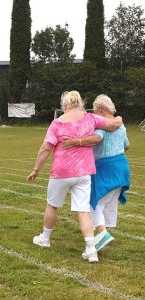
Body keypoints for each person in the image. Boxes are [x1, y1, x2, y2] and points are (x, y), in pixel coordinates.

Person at [26, 90, 123, 263]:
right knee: (83, 210)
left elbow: (45, 148)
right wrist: (119, 118)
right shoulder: (91, 118)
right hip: (84, 172)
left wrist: (36, 169)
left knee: (52, 205)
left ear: (65, 105)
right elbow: (114, 125)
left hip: (61, 172)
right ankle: (91, 249)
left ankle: (45, 238)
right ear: (81, 103)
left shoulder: (57, 123)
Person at [61, 94, 130, 252]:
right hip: (122, 167)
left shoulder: (102, 127)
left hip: (106, 168)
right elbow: (127, 145)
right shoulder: (122, 126)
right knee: (110, 201)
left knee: (95, 202)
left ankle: (103, 234)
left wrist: (74, 142)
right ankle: (104, 233)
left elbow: (96, 139)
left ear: (100, 109)